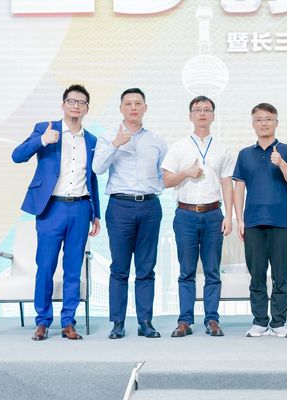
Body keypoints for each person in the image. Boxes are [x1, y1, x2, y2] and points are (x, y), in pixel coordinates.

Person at [11, 84, 100, 341]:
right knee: (46, 265)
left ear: (86, 109)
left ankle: (68, 322)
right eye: (72, 101)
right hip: (51, 207)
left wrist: (96, 213)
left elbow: (92, 178)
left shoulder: (92, 140)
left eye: (81, 102)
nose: (76, 106)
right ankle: (42, 321)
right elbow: (17, 156)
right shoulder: (45, 129)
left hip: (81, 207)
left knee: (73, 268)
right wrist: (42, 141)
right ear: (63, 104)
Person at [93, 88, 167, 339]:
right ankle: (118, 323)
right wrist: (116, 144)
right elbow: (97, 168)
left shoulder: (157, 140)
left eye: (138, 103)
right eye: (128, 103)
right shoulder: (107, 137)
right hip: (120, 207)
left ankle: (146, 322)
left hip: (149, 206)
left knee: (146, 267)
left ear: (145, 107)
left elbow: (163, 174)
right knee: (119, 267)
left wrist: (154, 189)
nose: (133, 108)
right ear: (121, 108)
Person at [161, 96, 234, 337]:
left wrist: (229, 216)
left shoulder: (222, 148)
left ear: (213, 115)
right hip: (186, 214)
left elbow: (227, 183)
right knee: (187, 271)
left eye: (207, 110)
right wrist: (186, 172)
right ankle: (185, 321)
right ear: (190, 115)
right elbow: (166, 180)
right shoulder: (178, 147)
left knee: (212, 271)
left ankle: (212, 319)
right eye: (197, 110)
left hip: (213, 214)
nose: (202, 113)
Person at [233, 103, 287, 338]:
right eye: (259, 119)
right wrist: (239, 219)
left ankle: (279, 322)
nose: (264, 123)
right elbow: (239, 187)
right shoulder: (245, 154)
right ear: (253, 124)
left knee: (281, 276)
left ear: (276, 123)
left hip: (281, 222)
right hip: (253, 222)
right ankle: (260, 321)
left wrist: (281, 163)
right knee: (257, 275)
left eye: (268, 119)